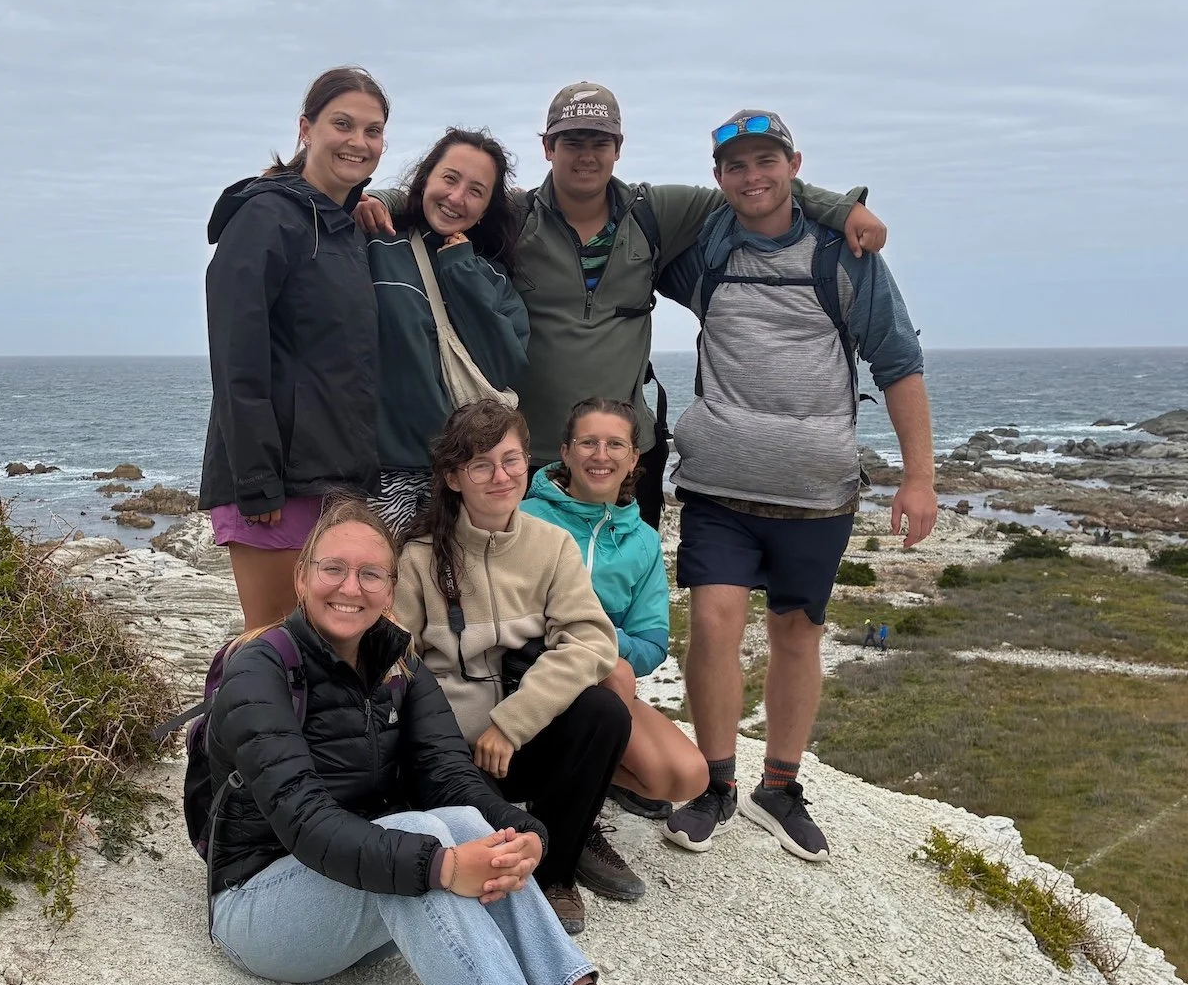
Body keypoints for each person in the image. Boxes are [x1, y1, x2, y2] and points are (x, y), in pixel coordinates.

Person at [205, 496, 718, 985]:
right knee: (425, 840)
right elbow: (305, 822)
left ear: (391, 588)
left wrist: (522, 832)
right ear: (302, 577)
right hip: (258, 906)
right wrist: (442, 867)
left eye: (370, 574)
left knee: (469, 825)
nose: (350, 587)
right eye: (333, 569)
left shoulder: (398, 664)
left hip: (357, 893)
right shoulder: (261, 670)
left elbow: (449, 774)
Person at [360, 81, 887, 527]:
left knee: (621, 593)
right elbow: (441, 198)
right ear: (548, 148)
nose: (586, 154)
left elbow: (753, 188)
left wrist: (842, 210)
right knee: (527, 604)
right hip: (526, 458)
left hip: (623, 458)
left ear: (619, 147)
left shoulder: (655, 211)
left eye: (600, 141)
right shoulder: (514, 218)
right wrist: (375, 199)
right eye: (572, 141)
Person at [658, 110, 935, 863]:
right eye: (736, 165)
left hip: (817, 491)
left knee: (796, 634)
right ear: (718, 177)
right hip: (718, 484)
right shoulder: (706, 246)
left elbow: (898, 361)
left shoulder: (845, 256)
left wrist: (918, 478)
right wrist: (842, 203)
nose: (753, 177)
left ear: (794, 165)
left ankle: (779, 787)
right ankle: (715, 784)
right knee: (713, 622)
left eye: (767, 161)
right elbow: (625, 239)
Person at [391, 399, 630, 936]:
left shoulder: (552, 545)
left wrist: (511, 723)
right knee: (486, 841)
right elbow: (398, 664)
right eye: (481, 465)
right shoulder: (419, 557)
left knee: (604, 712)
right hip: (450, 753)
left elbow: (592, 639)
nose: (501, 477)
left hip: (521, 737)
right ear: (453, 477)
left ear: (528, 462)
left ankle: (556, 873)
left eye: (512, 460)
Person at [198, 66, 389, 628]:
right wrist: (258, 482)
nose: (358, 141)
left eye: (373, 130)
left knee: (327, 648)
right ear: (306, 129)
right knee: (272, 644)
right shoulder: (265, 217)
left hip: (334, 478)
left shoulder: (342, 226)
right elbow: (236, 358)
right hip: (275, 484)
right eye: (342, 124)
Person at [520, 397, 708, 885]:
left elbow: (651, 644)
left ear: (633, 458)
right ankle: (573, 823)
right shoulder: (525, 515)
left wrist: (597, 635)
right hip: (524, 670)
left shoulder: (642, 540)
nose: (600, 455)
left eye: (614, 445)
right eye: (588, 442)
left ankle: (572, 784)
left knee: (686, 776)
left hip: (597, 681)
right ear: (565, 452)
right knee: (619, 675)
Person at [367, 128, 530, 533]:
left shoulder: (492, 276)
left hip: (464, 476)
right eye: (450, 179)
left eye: (476, 191)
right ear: (426, 179)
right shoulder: (376, 246)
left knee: (462, 578)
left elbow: (502, 368)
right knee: (375, 576)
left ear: (487, 207)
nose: (457, 198)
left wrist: (460, 267)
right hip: (377, 474)